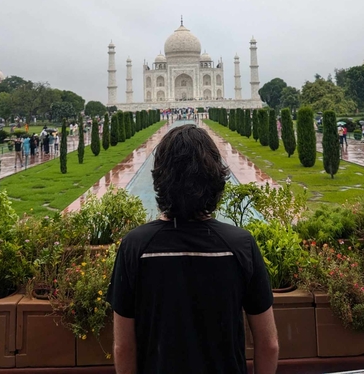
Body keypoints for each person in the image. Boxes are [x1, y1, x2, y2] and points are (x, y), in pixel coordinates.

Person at [108, 125, 279, 374]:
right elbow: (269, 344)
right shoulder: (240, 245)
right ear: (216, 178)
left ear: (160, 177)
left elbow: (123, 347)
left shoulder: (135, 246)